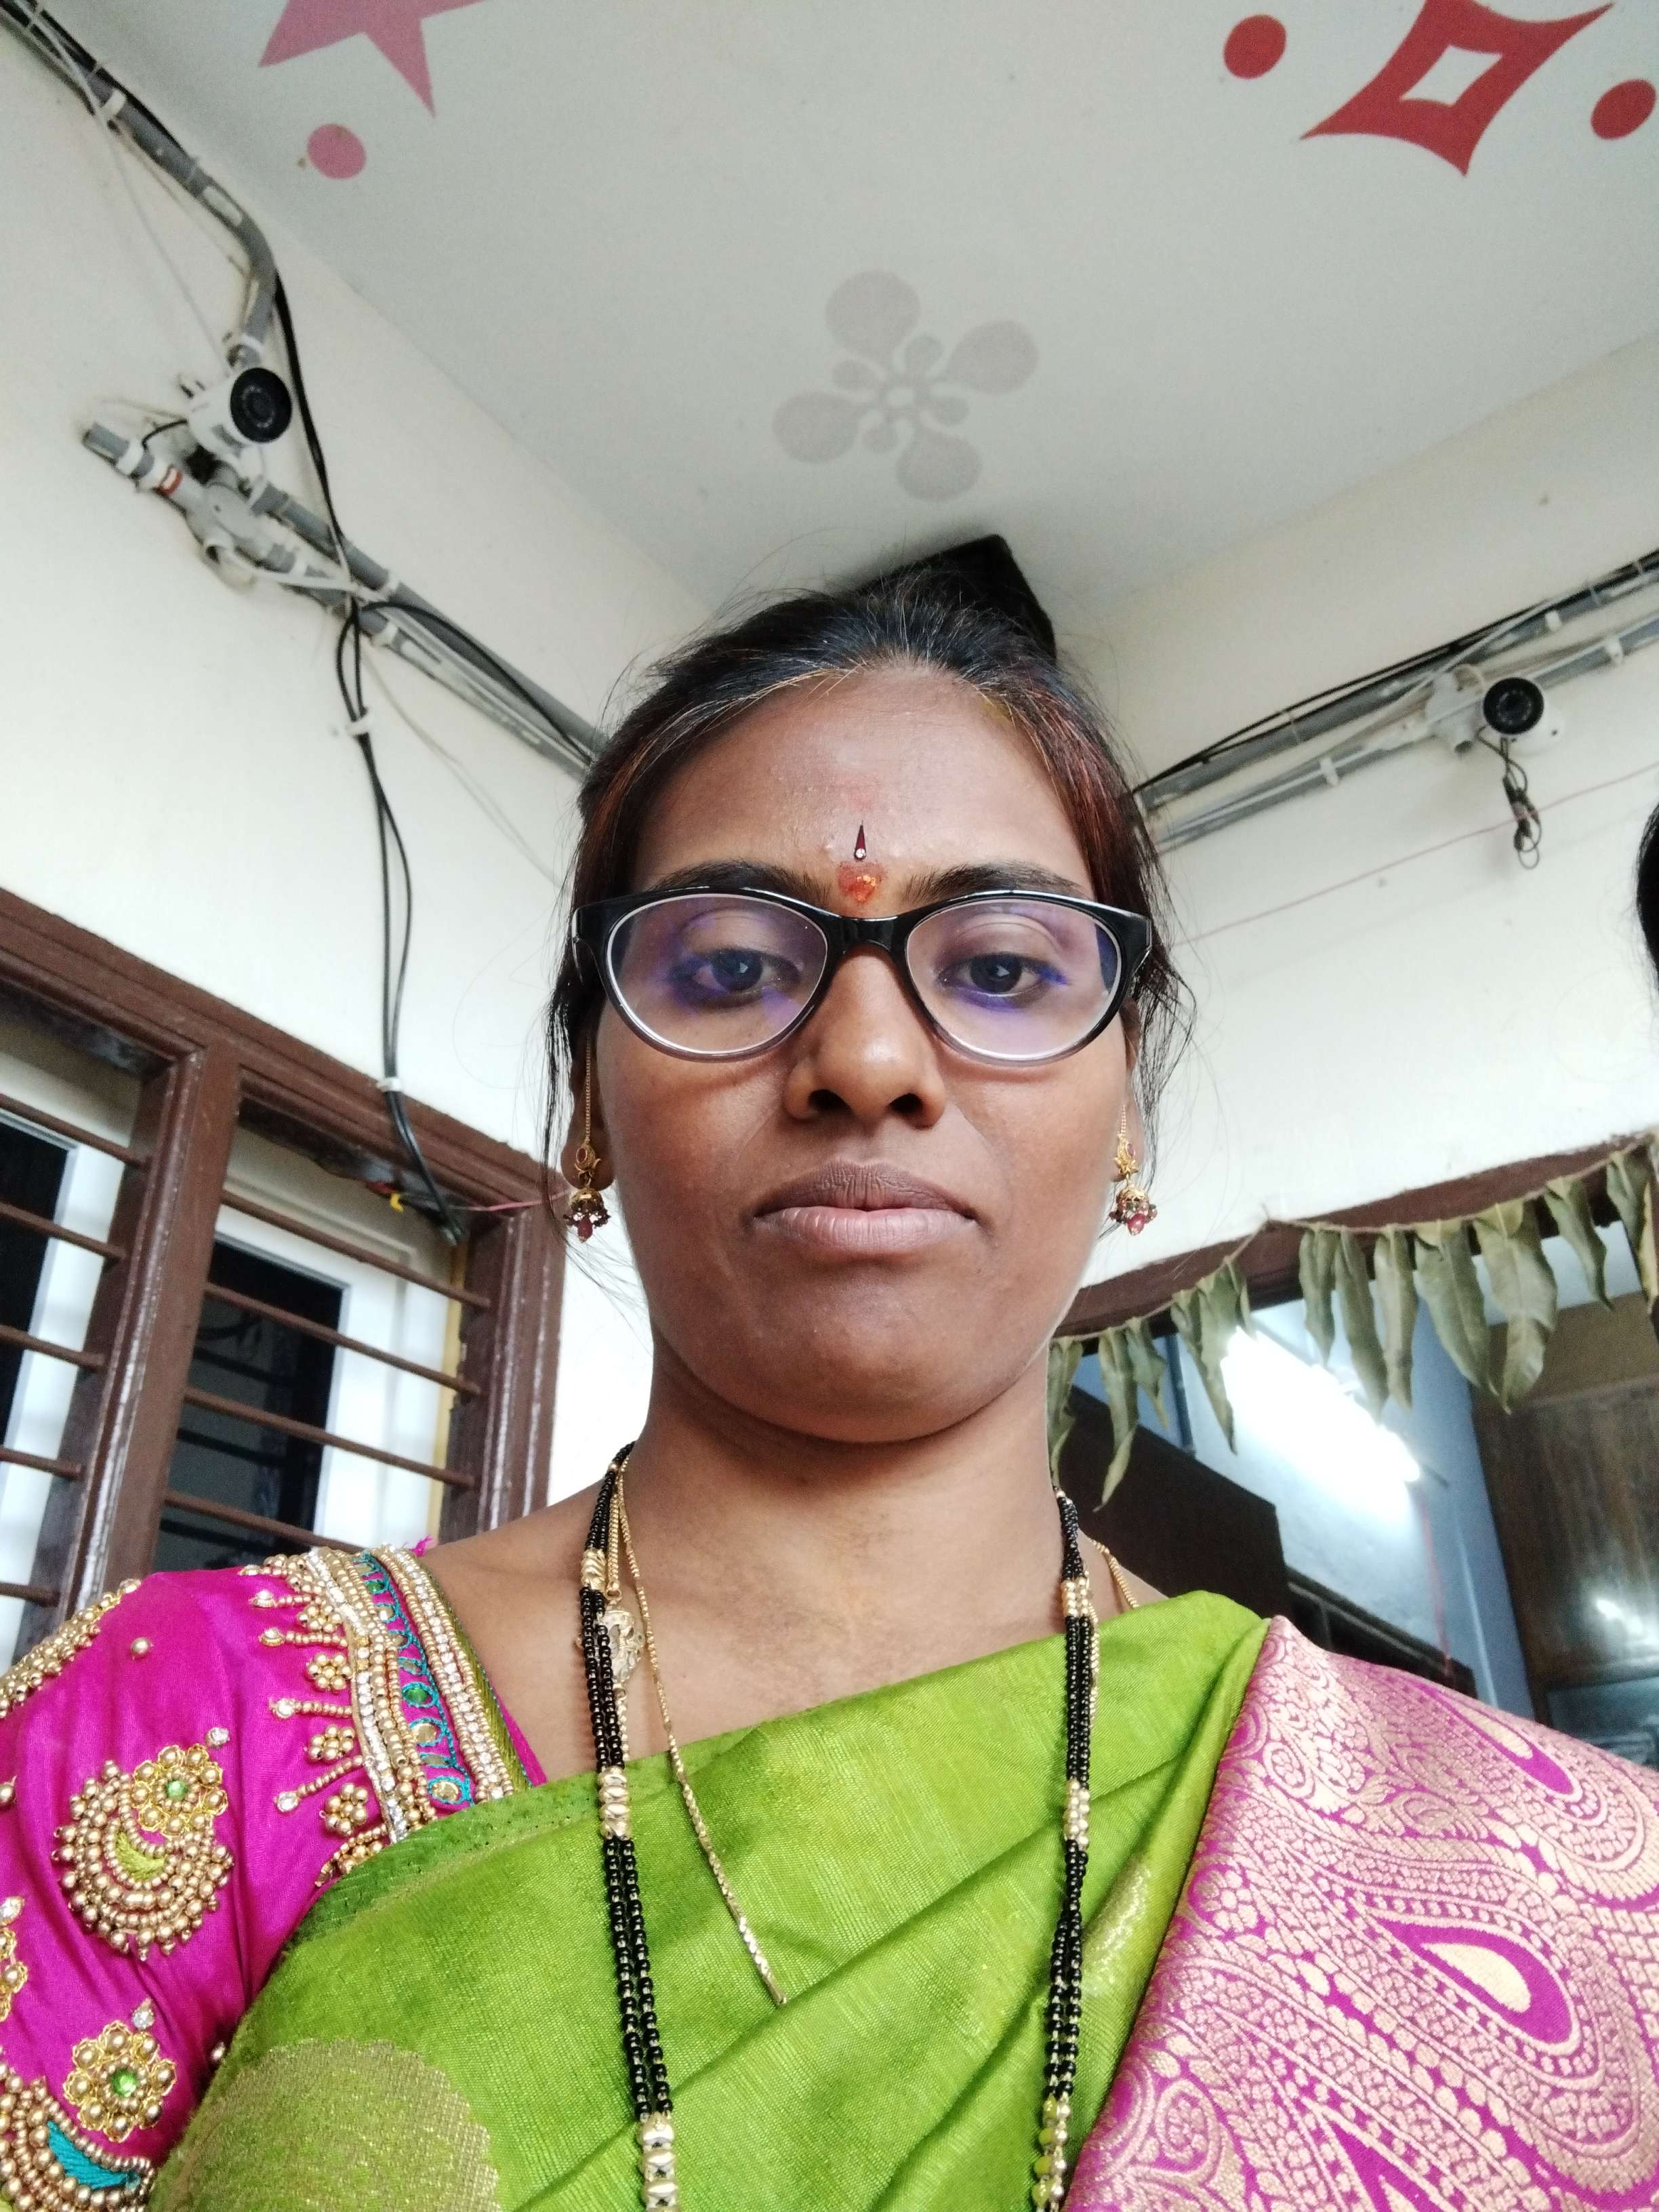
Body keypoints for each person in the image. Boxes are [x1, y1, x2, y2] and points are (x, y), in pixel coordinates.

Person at [0, 577, 1654, 2212]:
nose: (867, 1059)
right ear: (590, 1098)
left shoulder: (1528, 1881)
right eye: (731, 967)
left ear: (1128, 1108)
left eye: (1000, 969)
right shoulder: (191, 1728)